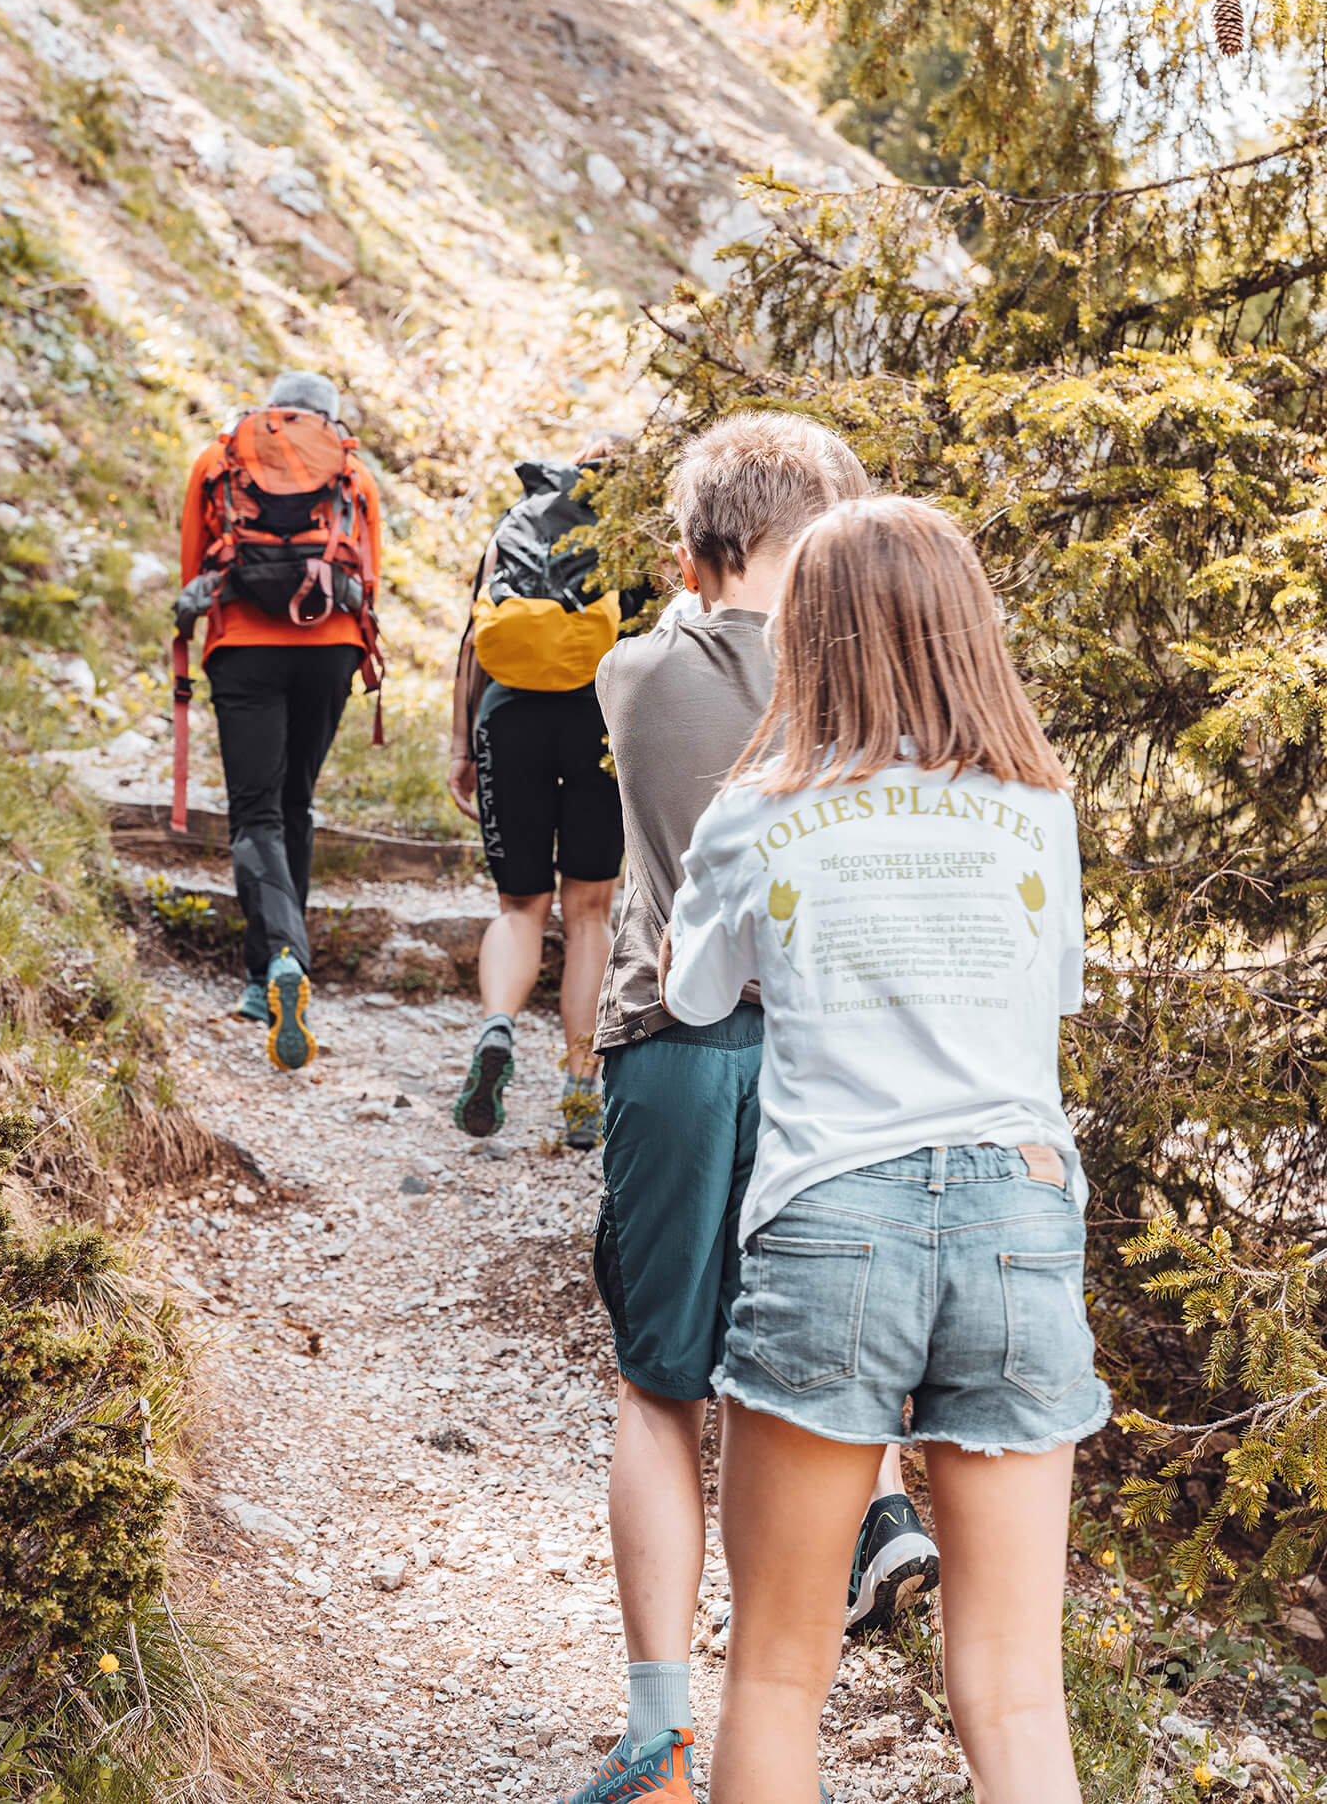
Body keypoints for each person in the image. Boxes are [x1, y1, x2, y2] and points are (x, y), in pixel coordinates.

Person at [662, 495, 1107, 1804]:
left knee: (780, 1671)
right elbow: (1054, 991)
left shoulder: (762, 808)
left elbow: (693, 997)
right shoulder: (1037, 811)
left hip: (831, 1216)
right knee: (1020, 1690)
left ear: (811, 638)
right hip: (1021, 1221)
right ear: (970, 630)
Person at [559, 417, 938, 1804]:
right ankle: (869, 1525)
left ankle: (659, 1738)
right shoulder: (887, 691)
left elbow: (679, 629)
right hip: (836, 1064)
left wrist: (702, 577)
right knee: (809, 1375)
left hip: (674, 1048)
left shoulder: (640, 669)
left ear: (701, 553)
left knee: (660, 1387)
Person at [178, 371, 381, 1071]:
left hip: (244, 648)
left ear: (270, 411)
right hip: (328, 647)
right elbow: (369, 579)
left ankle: (272, 967)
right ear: (329, 419)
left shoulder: (218, 459)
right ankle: (267, 969)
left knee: (255, 813)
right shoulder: (352, 470)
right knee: (295, 803)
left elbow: (192, 572)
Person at [448, 443, 625, 1146]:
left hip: (507, 716)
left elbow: (471, 639)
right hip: (599, 724)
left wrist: (462, 745)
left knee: (520, 906)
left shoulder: (516, 522)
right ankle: (581, 1088)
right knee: (589, 911)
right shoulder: (628, 533)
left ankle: (498, 1025)